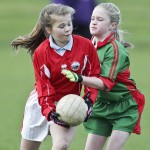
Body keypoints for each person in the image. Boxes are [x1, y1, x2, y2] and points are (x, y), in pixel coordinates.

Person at [11, 3, 100, 150]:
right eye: (61, 26)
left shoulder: (86, 46)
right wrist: (49, 111)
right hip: (42, 102)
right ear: (48, 29)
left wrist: (89, 101)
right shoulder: (41, 52)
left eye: (69, 24)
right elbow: (43, 86)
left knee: (62, 145)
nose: (67, 29)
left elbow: (92, 76)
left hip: (70, 104)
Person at [62, 2, 145, 150]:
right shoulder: (89, 44)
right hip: (100, 106)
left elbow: (106, 84)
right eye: (92, 18)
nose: (93, 22)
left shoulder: (114, 49)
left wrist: (80, 78)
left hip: (123, 107)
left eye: (100, 20)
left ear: (112, 26)